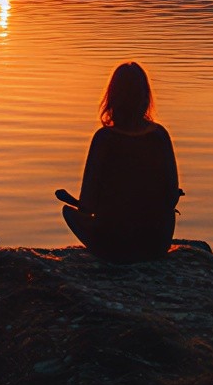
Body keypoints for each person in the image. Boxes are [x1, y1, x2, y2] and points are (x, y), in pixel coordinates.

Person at [56, 61, 181, 262]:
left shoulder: (104, 139)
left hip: (114, 246)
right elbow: (171, 197)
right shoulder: (160, 135)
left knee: (68, 213)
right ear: (145, 97)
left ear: (112, 97)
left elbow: (87, 205)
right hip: (156, 244)